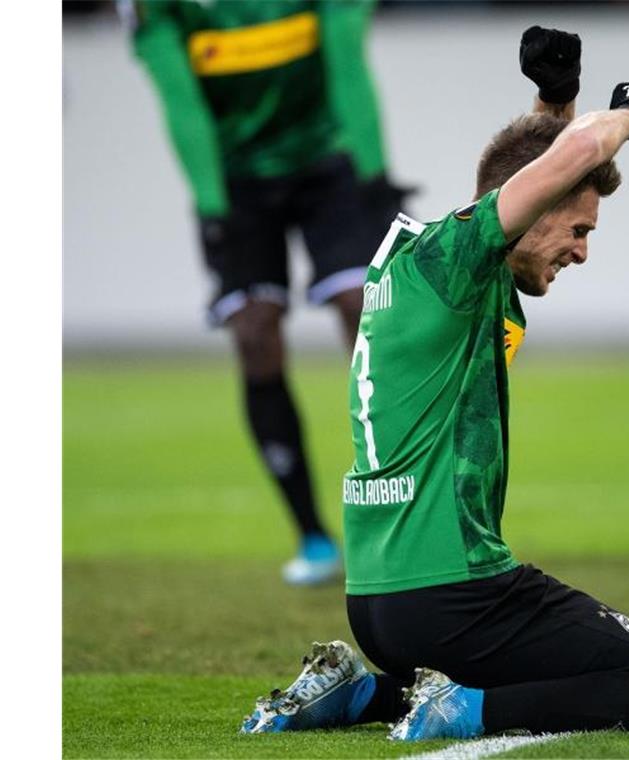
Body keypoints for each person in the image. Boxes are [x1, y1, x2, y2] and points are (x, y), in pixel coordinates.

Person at [239, 26, 629, 739]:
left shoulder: (437, 265)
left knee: (550, 668)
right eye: (579, 228)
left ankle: (361, 695)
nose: (583, 251)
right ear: (532, 206)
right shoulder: (460, 263)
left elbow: (530, 175)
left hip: (377, 601)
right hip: (456, 592)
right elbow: (567, 162)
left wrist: (555, 99)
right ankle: (459, 712)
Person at [121, 0, 411, 585]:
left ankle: (398, 518)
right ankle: (311, 534)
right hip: (236, 176)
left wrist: (376, 176)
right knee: (254, 335)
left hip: (328, 159)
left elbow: (348, 63)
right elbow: (181, 101)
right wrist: (211, 206)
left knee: (366, 311)